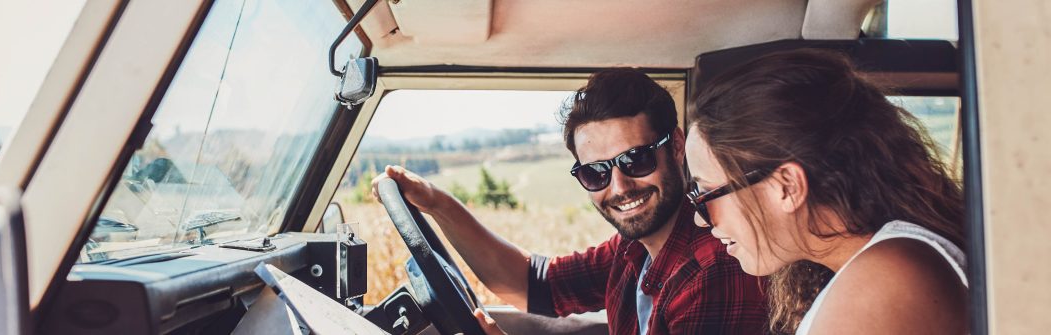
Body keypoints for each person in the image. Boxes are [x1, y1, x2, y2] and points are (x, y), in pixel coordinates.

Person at [374, 68, 768, 335]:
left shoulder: (715, 268)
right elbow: (534, 284)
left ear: (676, 147)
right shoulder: (633, 249)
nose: (620, 186)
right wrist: (437, 204)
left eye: (635, 159)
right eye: (595, 173)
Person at [683, 49, 968, 334]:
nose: (700, 219)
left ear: (787, 186)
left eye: (706, 195)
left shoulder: (884, 279)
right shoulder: (880, 265)